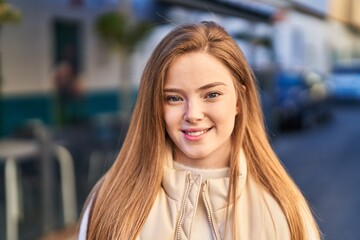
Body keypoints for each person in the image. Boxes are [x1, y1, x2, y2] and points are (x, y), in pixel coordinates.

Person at [78, 21, 321, 240]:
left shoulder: (284, 208)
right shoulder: (110, 201)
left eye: (212, 95)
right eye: (173, 98)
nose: (192, 114)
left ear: (239, 100)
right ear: (155, 104)